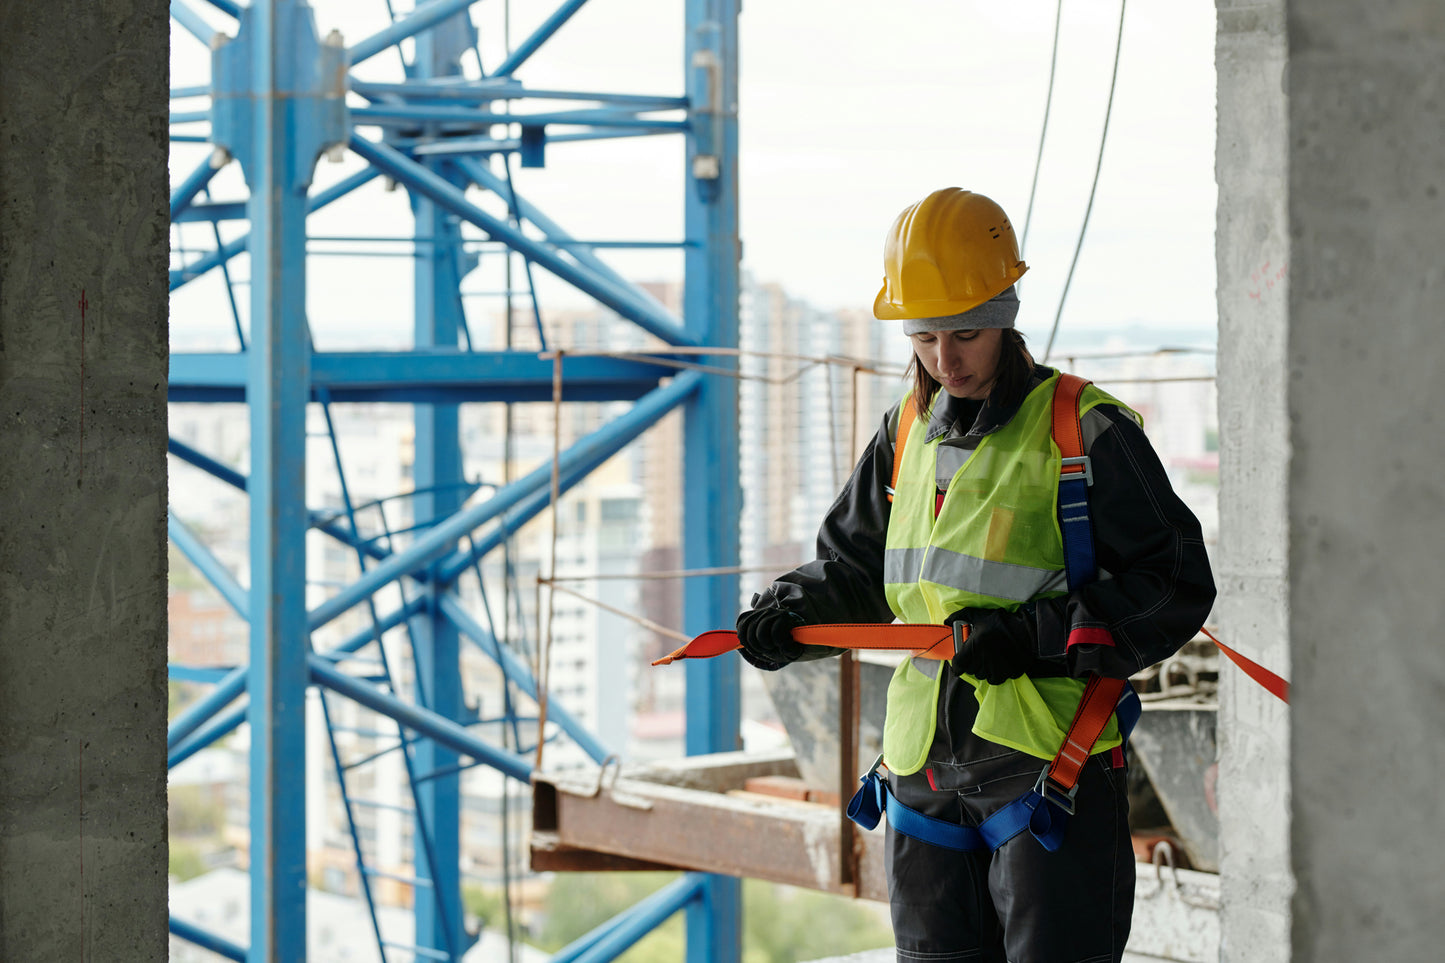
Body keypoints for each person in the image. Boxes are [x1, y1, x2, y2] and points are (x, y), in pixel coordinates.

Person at [735, 187, 1216, 962]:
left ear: (1004, 317)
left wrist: (1033, 638)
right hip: (925, 768)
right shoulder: (903, 435)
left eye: (964, 333)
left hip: (1044, 762)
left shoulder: (1079, 429)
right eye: (923, 337)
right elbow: (856, 568)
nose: (943, 359)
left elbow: (1173, 584)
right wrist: (790, 614)